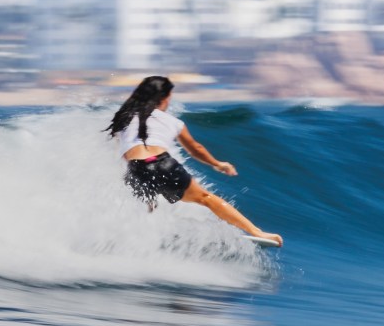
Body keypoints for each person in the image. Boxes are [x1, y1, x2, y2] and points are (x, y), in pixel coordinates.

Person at [105, 75, 283, 246]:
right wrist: (218, 164)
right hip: (161, 163)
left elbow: (122, 152)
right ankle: (257, 231)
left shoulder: (123, 119)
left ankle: (143, 236)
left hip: (135, 169)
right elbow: (195, 149)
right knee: (206, 198)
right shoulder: (172, 121)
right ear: (164, 98)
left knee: (149, 204)